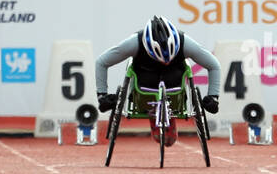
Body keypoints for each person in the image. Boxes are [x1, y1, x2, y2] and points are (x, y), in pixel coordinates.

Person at [94, 16, 221, 147]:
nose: (164, 62)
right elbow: (102, 62)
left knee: (178, 75)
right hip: (144, 87)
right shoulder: (134, 43)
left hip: (174, 86)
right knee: (142, 82)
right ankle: (153, 112)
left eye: (168, 59)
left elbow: (214, 65)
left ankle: (167, 113)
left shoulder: (185, 43)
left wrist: (213, 96)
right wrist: (102, 95)